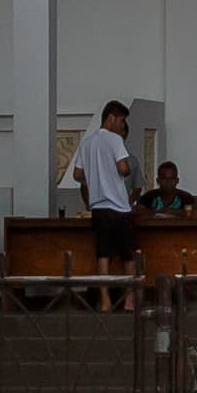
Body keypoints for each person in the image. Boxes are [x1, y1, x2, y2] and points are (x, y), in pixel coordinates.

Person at [67, 98, 138, 275]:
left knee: (103, 254)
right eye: (122, 120)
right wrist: (122, 169)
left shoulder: (87, 142)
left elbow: (77, 175)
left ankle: (105, 300)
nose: (123, 125)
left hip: (98, 207)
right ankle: (129, 297)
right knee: (128, 254)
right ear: (111, 118)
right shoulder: (115, 140)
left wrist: (95, 173)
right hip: (118, 207)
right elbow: (123, 169)